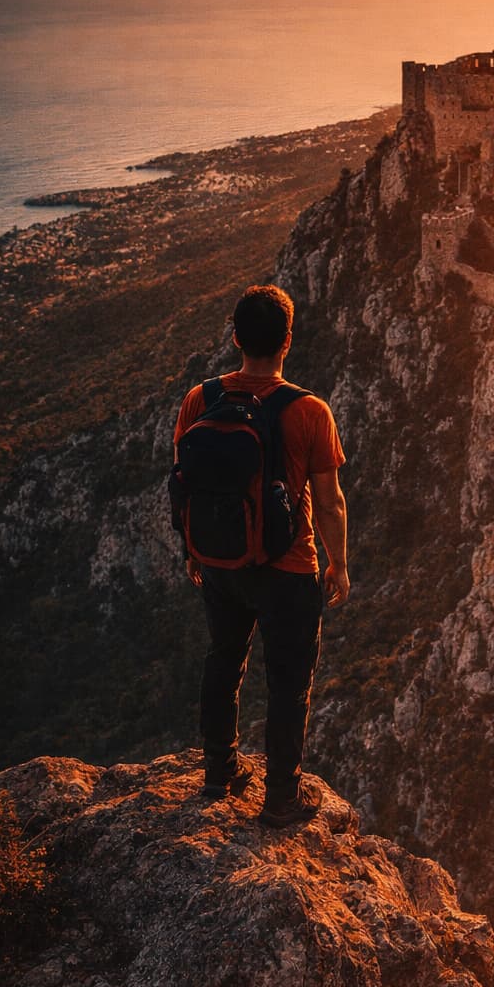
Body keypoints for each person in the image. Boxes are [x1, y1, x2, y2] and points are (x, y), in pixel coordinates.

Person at [173, 284, 350, 827]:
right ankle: (280, 799)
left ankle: (218, 771)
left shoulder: (199, 399)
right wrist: (339, 563)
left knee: (223, 658)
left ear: (235, 338)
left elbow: (186, 482)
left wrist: (193, 551)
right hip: (288, 570)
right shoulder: (308, 410)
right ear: (288, 342)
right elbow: (329, 500)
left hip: (220, 563)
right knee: (289, 683)